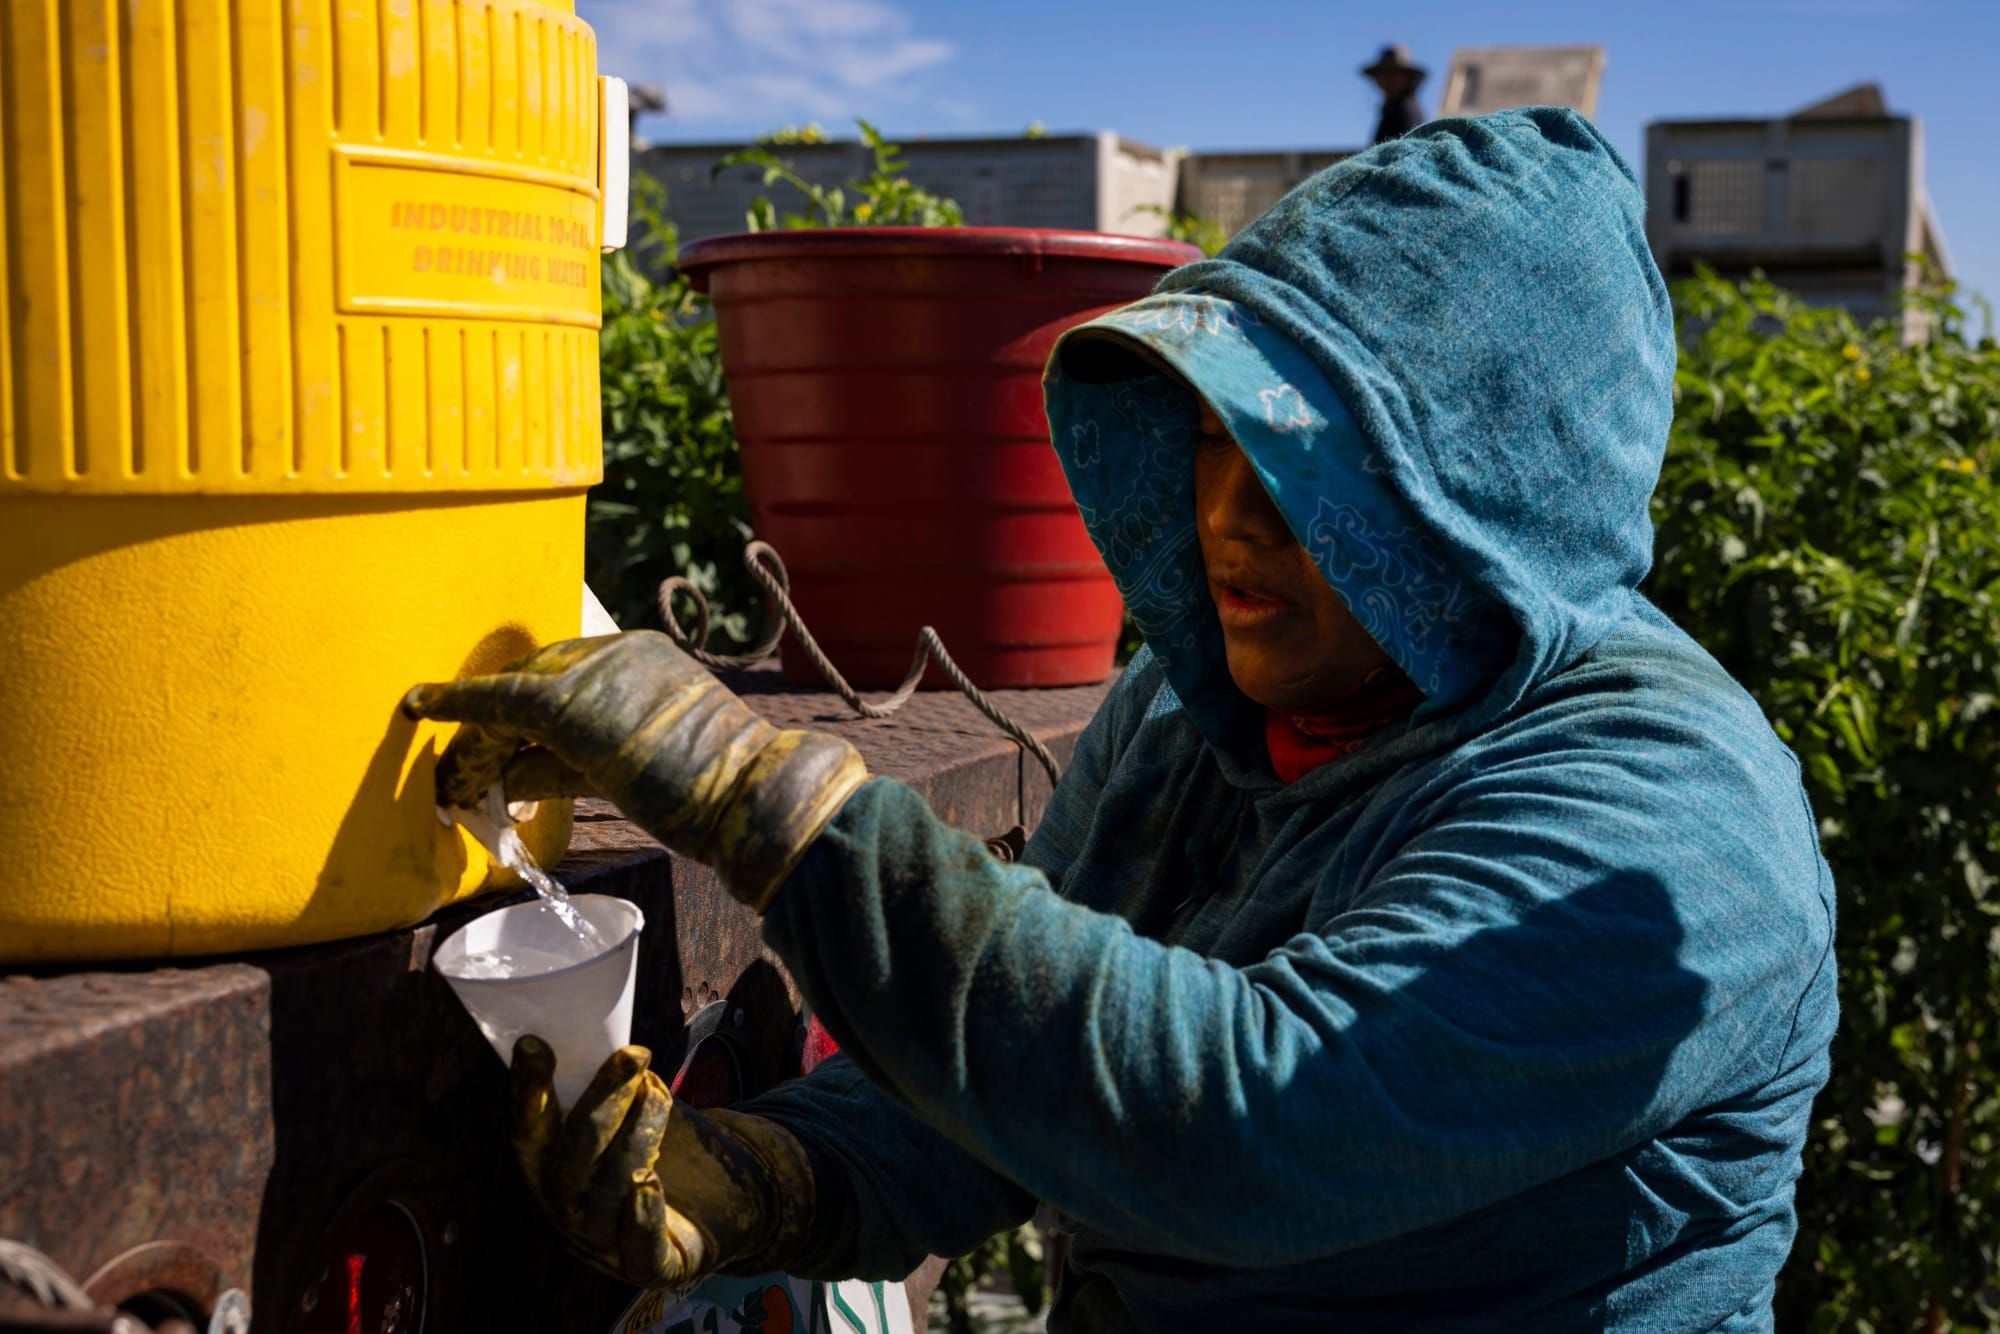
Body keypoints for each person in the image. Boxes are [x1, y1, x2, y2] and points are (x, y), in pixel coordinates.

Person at [405, 108, 1835, 1331]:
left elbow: (1251, 1121)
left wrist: (765, 800)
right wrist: (769, 1179)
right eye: (1218, 429)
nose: (1228, 513)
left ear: (1494, 491)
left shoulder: (1671, 821)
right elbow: (1014, 1081)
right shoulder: (1200, 711)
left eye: (1313, 460)